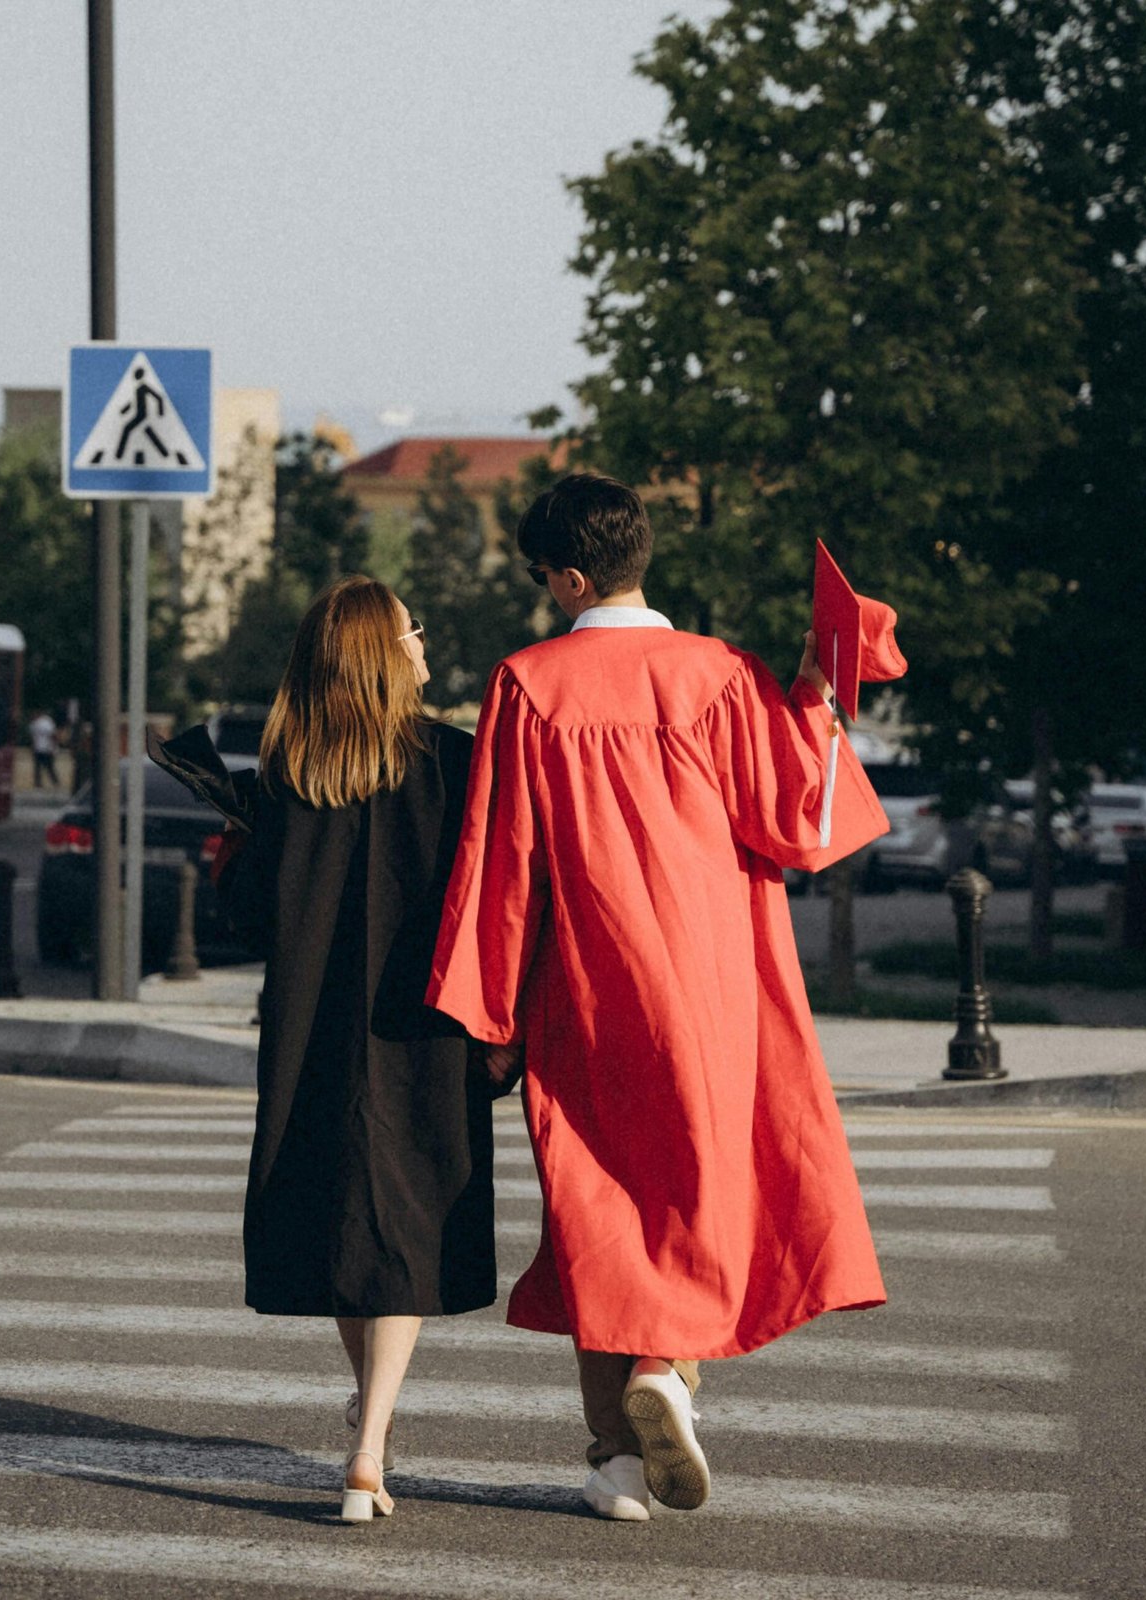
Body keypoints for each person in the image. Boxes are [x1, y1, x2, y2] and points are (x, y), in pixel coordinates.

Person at [426, 474, 891, 1521]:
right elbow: (798, 823)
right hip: (719, 979)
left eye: (545, 575)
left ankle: (614, 1461)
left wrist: (488, 1014)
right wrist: (812, 699)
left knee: (598, 1205)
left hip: (586, 982)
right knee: (701, 1184)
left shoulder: (528, 683)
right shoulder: (721, 673)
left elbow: (502, 858)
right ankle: (668, 1369)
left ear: (573, 575)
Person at [163, 576, 497, 1524]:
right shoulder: (456, 764)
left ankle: (367, 1431)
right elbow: (494, 897)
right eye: (414, 629)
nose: (425, 641)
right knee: (405, 1234)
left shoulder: (286, 782)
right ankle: (368, 1442)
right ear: (383, 657)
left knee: (350, 1229)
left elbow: (251, 916)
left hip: (314, 1034)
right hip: (426, 1030)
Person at [28, 710, 59, 788]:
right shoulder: (34, 723)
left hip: (46, 748)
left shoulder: (46, 722)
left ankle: (54, 781)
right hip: (39, 748)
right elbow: (33, 737)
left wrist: (53, 746)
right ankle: (38, 783)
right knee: (38, 767)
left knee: (48, 766)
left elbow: (53, 735)